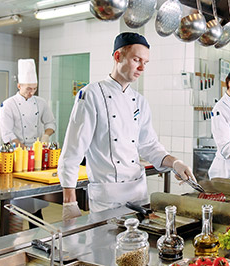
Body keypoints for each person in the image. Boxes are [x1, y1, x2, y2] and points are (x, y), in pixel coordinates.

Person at [58, 32, 195, 219]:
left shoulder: (139, 101)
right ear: (118, 56)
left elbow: (149, 146)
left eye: (145, 63)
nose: (141, 67)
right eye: (136, 60)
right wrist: (69, 201)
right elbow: (73, 151)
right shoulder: (91, 94)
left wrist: (175, 163)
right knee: (106, 247)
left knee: (138, 247)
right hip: (107, 197)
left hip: (138, 193)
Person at [0, 58, 56, 228]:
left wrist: (46, 136)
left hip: (37, 156)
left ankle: (38, 237)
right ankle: (11, 240)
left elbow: (51, 124)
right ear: (19, 86)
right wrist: (22, 147)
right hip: (18, 157)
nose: (32, 92)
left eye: (35, 89)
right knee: (15, 201)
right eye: (28, 89)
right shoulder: (8, 105)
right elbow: (7, 132)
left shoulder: (41, 103)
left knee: (34, 201)